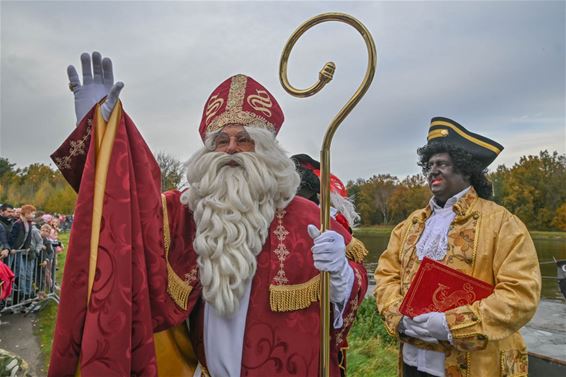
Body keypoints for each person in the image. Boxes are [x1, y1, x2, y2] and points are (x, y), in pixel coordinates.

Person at [48, 52, 369, 377]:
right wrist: (101, 137)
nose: (230, 148)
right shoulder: (189, 212)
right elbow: (127, 211)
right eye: (220, 140)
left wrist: (341, 273)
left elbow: (354, 291)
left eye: (244, 139)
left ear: (268, 151)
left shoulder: (309, 218)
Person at [374, 117, 541, 377]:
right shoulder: (410, 224)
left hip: (474, 365)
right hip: (412, 361)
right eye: (429, 165)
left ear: (465, 169)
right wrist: (399, 315)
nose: (433, 171)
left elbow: (521, 294)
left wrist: (450, 324)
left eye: (442, 164)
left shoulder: (502, 223)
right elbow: (386, 275)